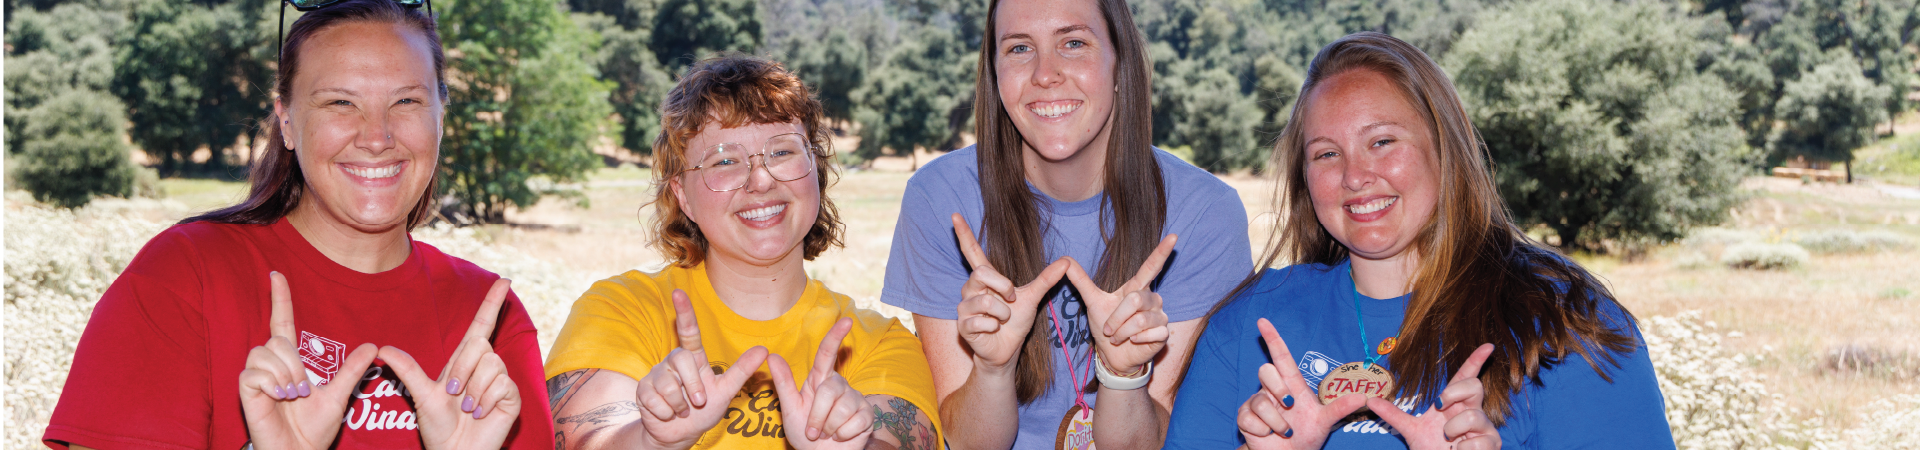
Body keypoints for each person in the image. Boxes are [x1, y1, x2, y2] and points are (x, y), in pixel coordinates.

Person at [43, 0, 551, 448]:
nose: (377, 137)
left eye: (406, 101)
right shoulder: (185, 275)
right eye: (340, 103)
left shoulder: (491, 320)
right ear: (286, 121)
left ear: (441, 115)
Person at [1164, 32, 1675, 449]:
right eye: (1325, 154)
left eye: (1382, 142)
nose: (1355, 176)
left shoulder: (1565, 318)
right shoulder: (1248, 325)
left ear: (1445, 147)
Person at [878, 0, 1252, 447]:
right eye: (1019, 49)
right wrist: (993, 370)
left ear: (1120, 63)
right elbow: (964, 441)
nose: (1045, 73)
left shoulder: (1204, 214)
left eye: (1073, 43)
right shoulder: (941, 200)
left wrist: (1123, 374)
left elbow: (1156, 442)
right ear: (993, 72)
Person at [542, 54, 942, 450]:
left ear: (815, 170)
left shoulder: (879, 344)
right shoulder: (621, 311)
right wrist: (650, 442)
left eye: (782, 152)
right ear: (682, 195)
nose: (761, 179)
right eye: (725, 160)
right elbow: (586, 438)